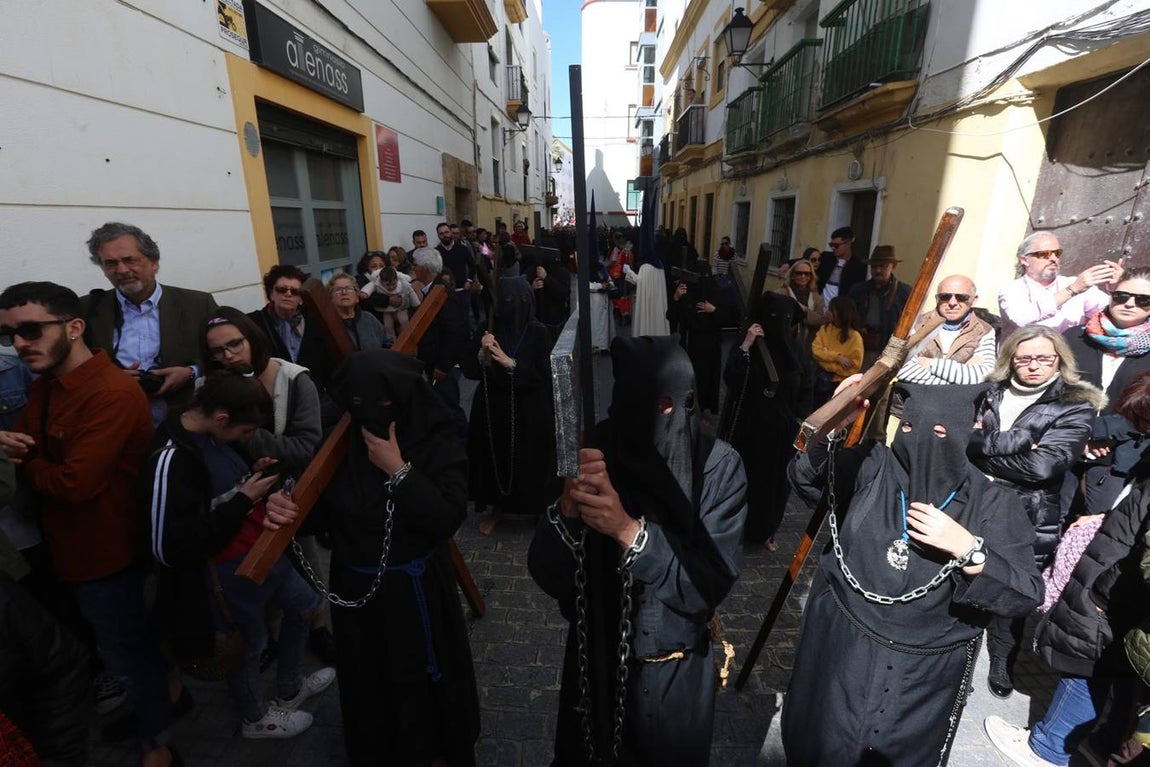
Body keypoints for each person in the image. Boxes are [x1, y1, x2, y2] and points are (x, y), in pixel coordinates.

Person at [783, 379, 1044, 766]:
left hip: (922, 672)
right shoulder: (874, 465)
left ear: (963, 431)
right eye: (909, 428)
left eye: (940, 432)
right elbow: (808, 477)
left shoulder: (993, 502)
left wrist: (969, 549)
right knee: (819, 743)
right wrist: (833, 423)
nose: (920, 440)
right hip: (842, 646)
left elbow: (1026, 592)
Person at [529, 335, 747, 766]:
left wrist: (628, 530)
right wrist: (568, 510)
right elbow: (547, 572)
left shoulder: (719, 467)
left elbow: (707, 585)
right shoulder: (594, 454)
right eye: (651, 404)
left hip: (673, 670)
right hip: (596, 658)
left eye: (676, 405)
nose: (667, 416)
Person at [266, 350, 480, 766]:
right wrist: (285, 505)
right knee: (371, 682)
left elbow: (446, 517)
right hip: (358, 591)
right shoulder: (337, 444)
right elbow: (316, 514)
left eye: (383, 406)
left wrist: (398, 469)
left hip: (418, 588)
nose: (372, 416)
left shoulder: (433, 436)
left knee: (425, 680)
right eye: (359, 406)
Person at [0, 281, 176, 767]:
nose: (18, 344)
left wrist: (23, 460)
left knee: (126, 652)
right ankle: (164, 707)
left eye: (31, 330)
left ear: (74, 328)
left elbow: (74, 483)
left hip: (106, 553)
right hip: (65, 549)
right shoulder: (45, 384)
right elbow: (36, 449)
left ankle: (158, 742)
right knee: (112, 645)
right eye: (8, 334)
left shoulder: (113, 392)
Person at [143, 371, 334, 739]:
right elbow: (169, 547)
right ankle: (255, 718)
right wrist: (244, 498)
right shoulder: (172, 457)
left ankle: (289, 689)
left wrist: (251, 477)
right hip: (227, 570)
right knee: (250, 644)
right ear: (220, 419)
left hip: (259, 546)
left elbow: (223, 488)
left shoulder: (214, 434)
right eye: (246, 432)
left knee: (306, 606)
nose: (249, 439)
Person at [984, 375, 1150, 766]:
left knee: (1085, 664)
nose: (1141, 432)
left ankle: (1047, 748)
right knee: (1109, 667)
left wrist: (1103, 590)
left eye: (1145, 423)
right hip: (1114, 569)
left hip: (1117, 583)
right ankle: (1097, 739)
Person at [967, 325, 1104, 699]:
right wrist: (1017, 442)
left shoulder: (1075, 404)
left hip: (1027, 512)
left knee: (1011, 588)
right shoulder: (988, 392)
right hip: (974, 502)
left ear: (1059, 359)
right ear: (1010, 359)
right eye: (1024, 358)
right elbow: (961, 438)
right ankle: (957, 657)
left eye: (1044, 358)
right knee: (966, 574)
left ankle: (1002, 657)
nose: (1033, 366)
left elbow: (1044, 467)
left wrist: (981, 451)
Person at [83, 221, 219, 425]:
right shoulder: (87, 309)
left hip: (186, 417)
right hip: (114, 417)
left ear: (154, 262)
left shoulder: (198, 304)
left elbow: (225, 357)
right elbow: (73, 366)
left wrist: (191, 372)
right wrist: (108, 378)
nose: (122, 270)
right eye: (110, 263)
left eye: (130, 260)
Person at [464, 274, 557, 535]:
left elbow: (546, 374)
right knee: (496, 459)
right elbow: (470, 371)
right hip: (494, 406)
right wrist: (482, 355)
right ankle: (498, 509)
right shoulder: (489, 327)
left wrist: (512, 365)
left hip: (529, 408)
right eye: (508, 300)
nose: (515, 306)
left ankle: (537, 509)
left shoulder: (539, 332)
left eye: (522, 299)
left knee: (531, 459)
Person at [1062, 268, 1150, 515]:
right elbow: (1052, 392)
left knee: (1095, 535)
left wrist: (1105, 434)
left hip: (1120, 456)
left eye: (1143, 300)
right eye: (1122, 296)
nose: (1130, 304)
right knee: (1044, 527)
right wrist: (1080, 437)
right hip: (1065, 447)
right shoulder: (1075, 337)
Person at [721, 293, 804, 549]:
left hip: (780, 435)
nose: (779, 324)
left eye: (785, 318)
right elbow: (731, 379)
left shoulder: (796, 350)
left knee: (774, 487)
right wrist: (746, 344)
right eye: (773, 318)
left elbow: (805, 388)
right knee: (744, 481)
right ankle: (734, 529)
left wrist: (800, 421)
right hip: (749, 430)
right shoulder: (752, 347)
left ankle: (766, 530)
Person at [247, 265, 336, 423]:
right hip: (272, 406)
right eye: (282, 289)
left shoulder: (316, 323)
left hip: (314, 405)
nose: (288, 294)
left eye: (295, 291)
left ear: (301, 298)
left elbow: (330, 365)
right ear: (271, 293)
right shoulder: (253, 323)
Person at [998, 231, 1123, 338]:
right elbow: (1020, 319)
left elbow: (1112, 315)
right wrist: (1071, 290)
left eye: (1057, 253)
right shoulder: (1011, 290)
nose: (1053, 259)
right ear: (1025, 260)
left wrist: (1116, 290)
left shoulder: (1074, 283)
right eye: (1044, 254)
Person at [411, 247, 470, 441]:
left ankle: (464, 444)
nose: (413, 269)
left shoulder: (443, 294)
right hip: (435, 362)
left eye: (415, 265)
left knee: (449, 407)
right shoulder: (432, 290)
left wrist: (443, 366)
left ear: (424, 269)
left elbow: (455, 332)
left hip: (443, 366)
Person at [895, 275, 995, 387]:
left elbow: (984, 374)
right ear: (937, 299)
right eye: (945, 296)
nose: (952, 303)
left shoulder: (985, 331)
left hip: (959, 404)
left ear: (974, 299)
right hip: (916, 400)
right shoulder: (915, 325)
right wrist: (960, 377)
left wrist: (931, 364)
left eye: (961, 297)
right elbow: (902, 369)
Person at [668, 259, 725, 413]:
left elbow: (727, 319)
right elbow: (672, 316)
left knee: (708, 381)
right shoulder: (686, 292)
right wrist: (676, 297)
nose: (702, 279)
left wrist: (713, 310)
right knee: (691, 380)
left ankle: (704, 410)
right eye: (699, 276)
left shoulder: (717, 291)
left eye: (705, 275)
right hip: (691, 345)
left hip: (711, 346)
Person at [848, 245, 910, 361]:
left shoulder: (904, 293)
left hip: (889, 353)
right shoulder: (858, 290)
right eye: (874, 266)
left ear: (894, 266)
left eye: (883, 266)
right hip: (860, 349)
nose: (878, 270)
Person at [810, 296, 864, 408]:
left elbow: (854, 365)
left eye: (831, 310)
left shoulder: (855, 337)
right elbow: (816, 351)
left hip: (839, 384)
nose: (827, 312)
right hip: (819, 378)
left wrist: (826, 358)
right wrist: (837, 358)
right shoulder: (825, 329)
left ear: (841, 314)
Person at [327, 273, 389, 350]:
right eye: (338, 289)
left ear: (357, 297)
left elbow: (388, 341)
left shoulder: (369, 318)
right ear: (330, 298)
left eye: (349, 288)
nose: (344, 292)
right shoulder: (327, 324)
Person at [817, 226, 867, 302]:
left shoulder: (858, 266)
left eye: (836, 246)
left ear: (848, 243)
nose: (833, 248)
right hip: (820, 307)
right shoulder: (825, 258)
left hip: (841, 308)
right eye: (831, 245)